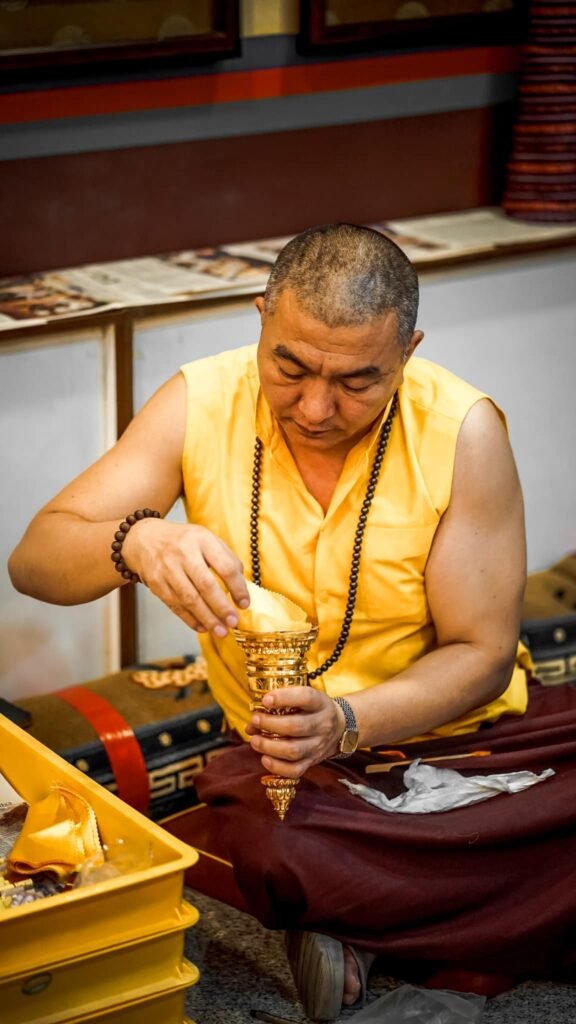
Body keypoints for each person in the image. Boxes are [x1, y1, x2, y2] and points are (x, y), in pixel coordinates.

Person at [8, 224, 576, 1019]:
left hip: (462, 739)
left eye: (357, 381)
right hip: (293, 771)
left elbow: (481, 654)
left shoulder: (461, 431)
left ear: (407, 353)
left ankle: (373, 923)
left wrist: (346, 721)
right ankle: (448, 916)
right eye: (291, 367)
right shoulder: (202, 401)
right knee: (276, 847)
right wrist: (135, 539)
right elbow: (33, 562)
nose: (315, 407)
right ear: (261, 318)